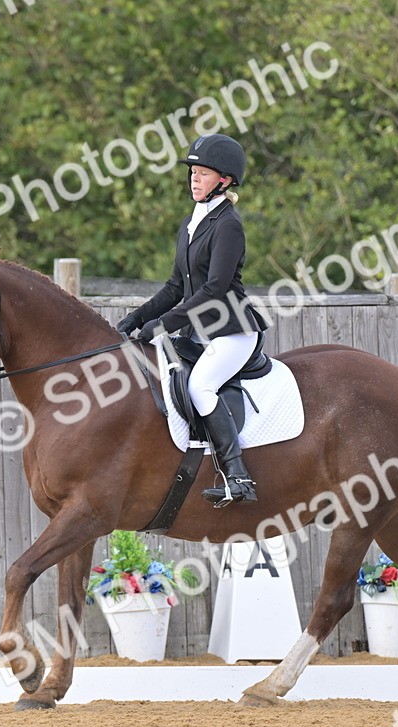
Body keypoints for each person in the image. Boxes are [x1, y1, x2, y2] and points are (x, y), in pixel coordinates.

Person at [116, 133, 268, 506]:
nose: (194, 179)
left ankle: (238, 476)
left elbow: (214, 289)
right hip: (198, 333)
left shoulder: (228, 224)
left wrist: (164, 325)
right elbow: (174, 286)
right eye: (192, 173)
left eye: (202, 173)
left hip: (231, 330)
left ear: (226, 180)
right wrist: (136, 318)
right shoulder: (191, 222)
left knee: (200, 386)